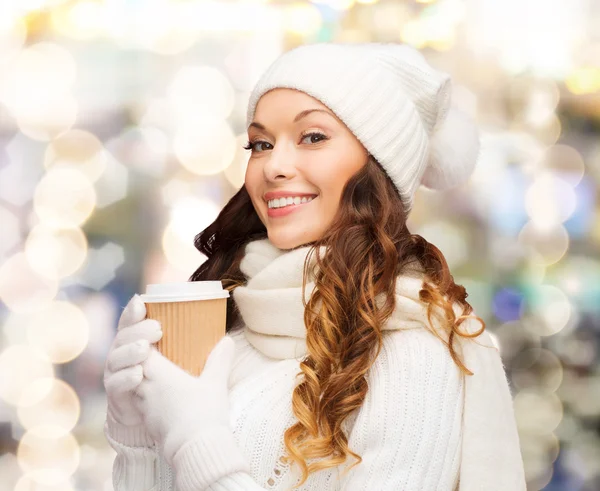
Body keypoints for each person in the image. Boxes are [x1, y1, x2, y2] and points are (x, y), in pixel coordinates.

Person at [103, 42, 527, 491]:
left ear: (377, 166)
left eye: (313, 137)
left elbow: (197, 452)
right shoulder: (237, 325)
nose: (275, 166)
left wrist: (195, 439)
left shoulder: (412, 354)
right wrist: (136, 434)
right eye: (261, 144)